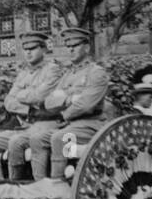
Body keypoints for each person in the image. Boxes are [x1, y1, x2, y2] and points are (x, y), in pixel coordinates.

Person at [27, 27, 110, 181]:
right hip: (69, 125)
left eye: (75, 45)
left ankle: (57, 186)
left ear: (87, 47)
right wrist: (69, 99)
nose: (71, 49)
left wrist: (64, 111)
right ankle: (39, 186)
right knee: (36, 139)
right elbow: (49, 102)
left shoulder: (96, 73)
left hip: (91, 125)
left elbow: (86, 104)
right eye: (68, 46)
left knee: (60, 138)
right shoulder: (67, 74)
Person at [0, 30, 64, 181]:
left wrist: (22, 95)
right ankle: (1, 184)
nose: (28, 52)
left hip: (47, 124)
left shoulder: (52, 70)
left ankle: (31, 186)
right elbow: (8, 102)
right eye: (25, 49)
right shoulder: (23, 73)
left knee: (16, 142)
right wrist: (29, 107)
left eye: (33, 48)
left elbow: (39, 96)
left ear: (44, 49)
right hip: (26, 125)